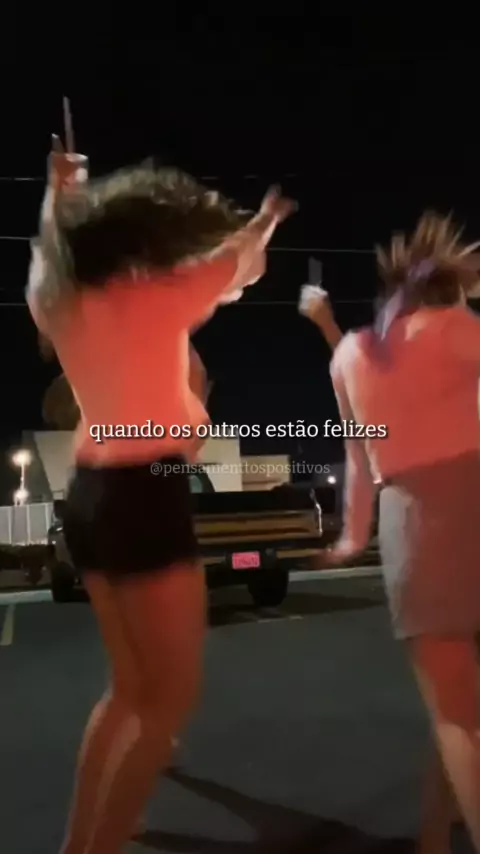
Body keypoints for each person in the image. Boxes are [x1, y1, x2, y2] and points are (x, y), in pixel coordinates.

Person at [27, 141, 296, 854]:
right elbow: (238, 263)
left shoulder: (60, 300)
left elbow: (48, 258)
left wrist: (57, 196)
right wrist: (266, 219)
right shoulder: (157, 293)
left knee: (127, 691)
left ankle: (78, 844)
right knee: (166, 700)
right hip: (144, 495)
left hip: (89, 494)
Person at [312, 211, 480, 854]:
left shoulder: (350, 356)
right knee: (461, 711)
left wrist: (352, 536)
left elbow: (357, 455)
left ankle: (434, 838)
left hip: (412, 520)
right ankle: (436, 837)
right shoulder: (459, 329)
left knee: (454, 709)